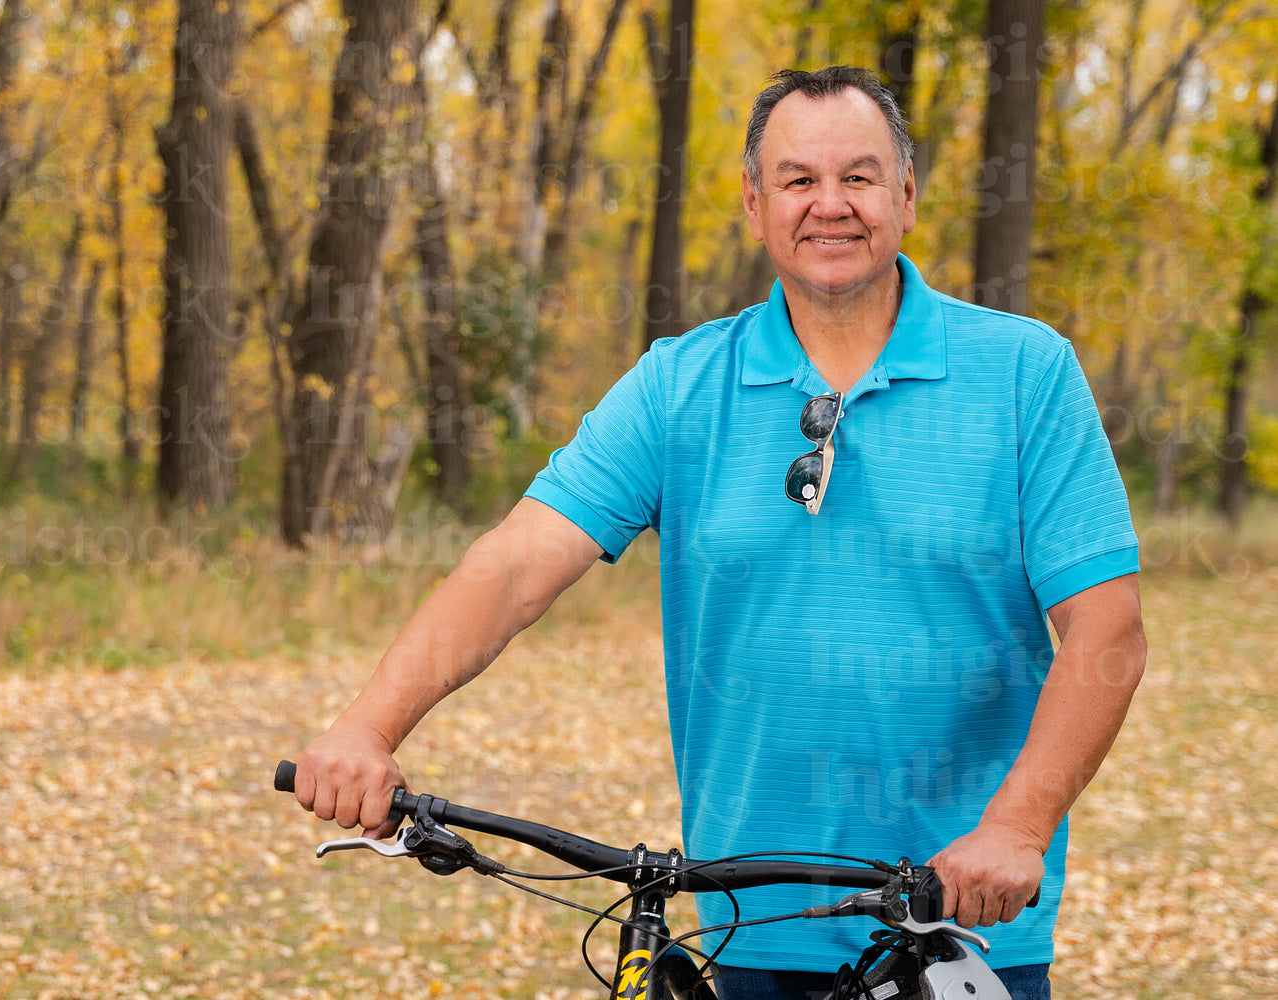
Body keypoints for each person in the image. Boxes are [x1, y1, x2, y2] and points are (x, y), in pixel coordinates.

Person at [292, 66, 1146, 1000]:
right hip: (746, 926)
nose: (831, 206)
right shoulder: (678, 387)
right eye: (797, 180)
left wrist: (1018, 829)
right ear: (754, 203)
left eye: (859, 178)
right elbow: (515, 566)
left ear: (906, 195)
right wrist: (369, 726)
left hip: (960, 930)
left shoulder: (1026, 374)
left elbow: (1107, 632)